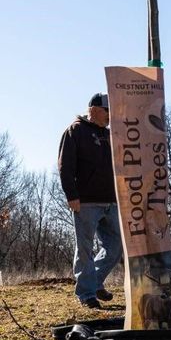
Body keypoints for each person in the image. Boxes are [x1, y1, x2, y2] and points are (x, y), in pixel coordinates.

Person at [58, 93, 123, 310]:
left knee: (115, 248)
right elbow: (65, 166)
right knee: (84, 248)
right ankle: (86, 294)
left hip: (112, 201)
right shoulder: (75, 131)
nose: (110, 116)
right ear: (94, 109)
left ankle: (93, 283)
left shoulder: (109, 134)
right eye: (107, 111)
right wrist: (72, 196)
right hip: (85, 202)